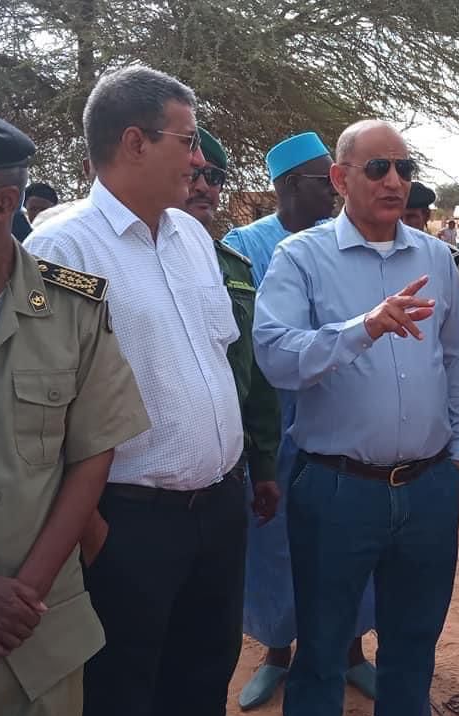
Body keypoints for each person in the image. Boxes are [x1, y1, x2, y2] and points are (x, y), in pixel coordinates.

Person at [25, 65, 246, 716]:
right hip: (128, 523)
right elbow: (40, 412)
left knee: (203, 681)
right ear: (134, 142)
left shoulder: (194, 240)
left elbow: (215, 359)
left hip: (217, 514)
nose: (200, 159)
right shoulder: (62, 249)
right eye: (187, 140)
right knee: (123, 692)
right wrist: (96, 532)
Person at [252, 119, 459, 716]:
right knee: (323, 649)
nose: (395, 181)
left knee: (412, 647)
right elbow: (275, 355)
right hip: (337, 489)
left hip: (428, 486)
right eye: (378, 168)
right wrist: (365, 327)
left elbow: (457, 359)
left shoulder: (435, 257)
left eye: (405, 168)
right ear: (340, 178)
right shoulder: (300, 257)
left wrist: (456, 453)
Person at [0, 106, 149, 716]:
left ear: (5, 203)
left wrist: (19, 600)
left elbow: (91, 456)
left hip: (40, 636)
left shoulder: (73, 307)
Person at [224, 132, 378, 710]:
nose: (335, 193)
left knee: (348, 533)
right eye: (323, 182)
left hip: (337, 416)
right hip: (271, 425)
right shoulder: (245, 246)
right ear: (289, 186)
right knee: (273, 540)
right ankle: (276, 652)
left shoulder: (348, 242)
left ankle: (352, 652)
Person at [181, 125, 283, 686]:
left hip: (225, 482)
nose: (204, 187)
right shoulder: (100, 257)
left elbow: (256, 378)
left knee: (209, 651)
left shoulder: (234, 270)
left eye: (214, 177)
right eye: (193, 174)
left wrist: (264, 464)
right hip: (138, 501)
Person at [403, 181, 459, 294]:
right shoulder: (384, 258)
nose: (404, 224)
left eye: (411, 217)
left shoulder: (453, 259)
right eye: (399, 218)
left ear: (426, 216)